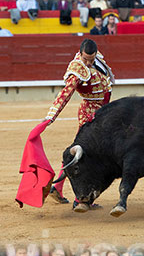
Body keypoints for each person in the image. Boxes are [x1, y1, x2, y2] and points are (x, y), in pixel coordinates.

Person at [44, 39, 114, 205]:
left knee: (79, 151)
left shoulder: (97, 59)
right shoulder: (77, 68)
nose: (89, 63)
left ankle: (58, 187)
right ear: (80, 53)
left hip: (102, 112)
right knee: (86, 153)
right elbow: (66, 93)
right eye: (85, 59)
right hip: (90, 113)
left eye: (91, 59)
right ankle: (79, 199)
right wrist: (51, 115)